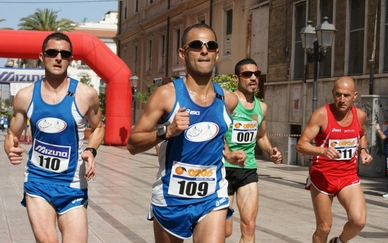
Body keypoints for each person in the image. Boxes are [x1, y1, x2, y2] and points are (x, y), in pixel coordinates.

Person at [127, 23, 246, 243]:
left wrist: (229, 155)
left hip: (212, 194)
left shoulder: (228, 100)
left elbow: (215, 135)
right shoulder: (166, 95)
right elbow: (133, 144)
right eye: (196, 45)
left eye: (210, 46)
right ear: (182, 53)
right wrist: (167, 131)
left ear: (217, 54)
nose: (204, 50)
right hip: (171, 197)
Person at [4, 32, 104, 243]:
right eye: (52, 52)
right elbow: (12, 133)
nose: (58, 57)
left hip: (73, 184)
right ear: (42, 56)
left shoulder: (86, 94)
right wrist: (9, 149)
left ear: (71, 59)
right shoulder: (25, 96)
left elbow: (98, 127)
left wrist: (90, 150)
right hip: (38, 182)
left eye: (64, 53)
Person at [296, 76, 373, 243]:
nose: (342, 100)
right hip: (322, 177)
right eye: (338, 95)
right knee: (324, 227)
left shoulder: (360, 116)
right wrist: (322, 151)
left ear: (355, 95)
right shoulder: (321, 115)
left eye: (346, 95)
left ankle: (338, 241)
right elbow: (301, 145)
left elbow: (363, 135)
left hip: (348, 177)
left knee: (358, 221)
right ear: (333, 93)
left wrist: (363, 151)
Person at [224, 58, 282, 242]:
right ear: (236, 78)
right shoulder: (227, 101)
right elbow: (213, 132)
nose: (253, 78)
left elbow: (261, 136)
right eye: (247, 74)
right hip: (222, 168)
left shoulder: (261, 107)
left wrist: (270, 150)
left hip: (248, 169)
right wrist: (228, 153)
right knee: (223, 230)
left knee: (249, 225)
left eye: (256, 74)